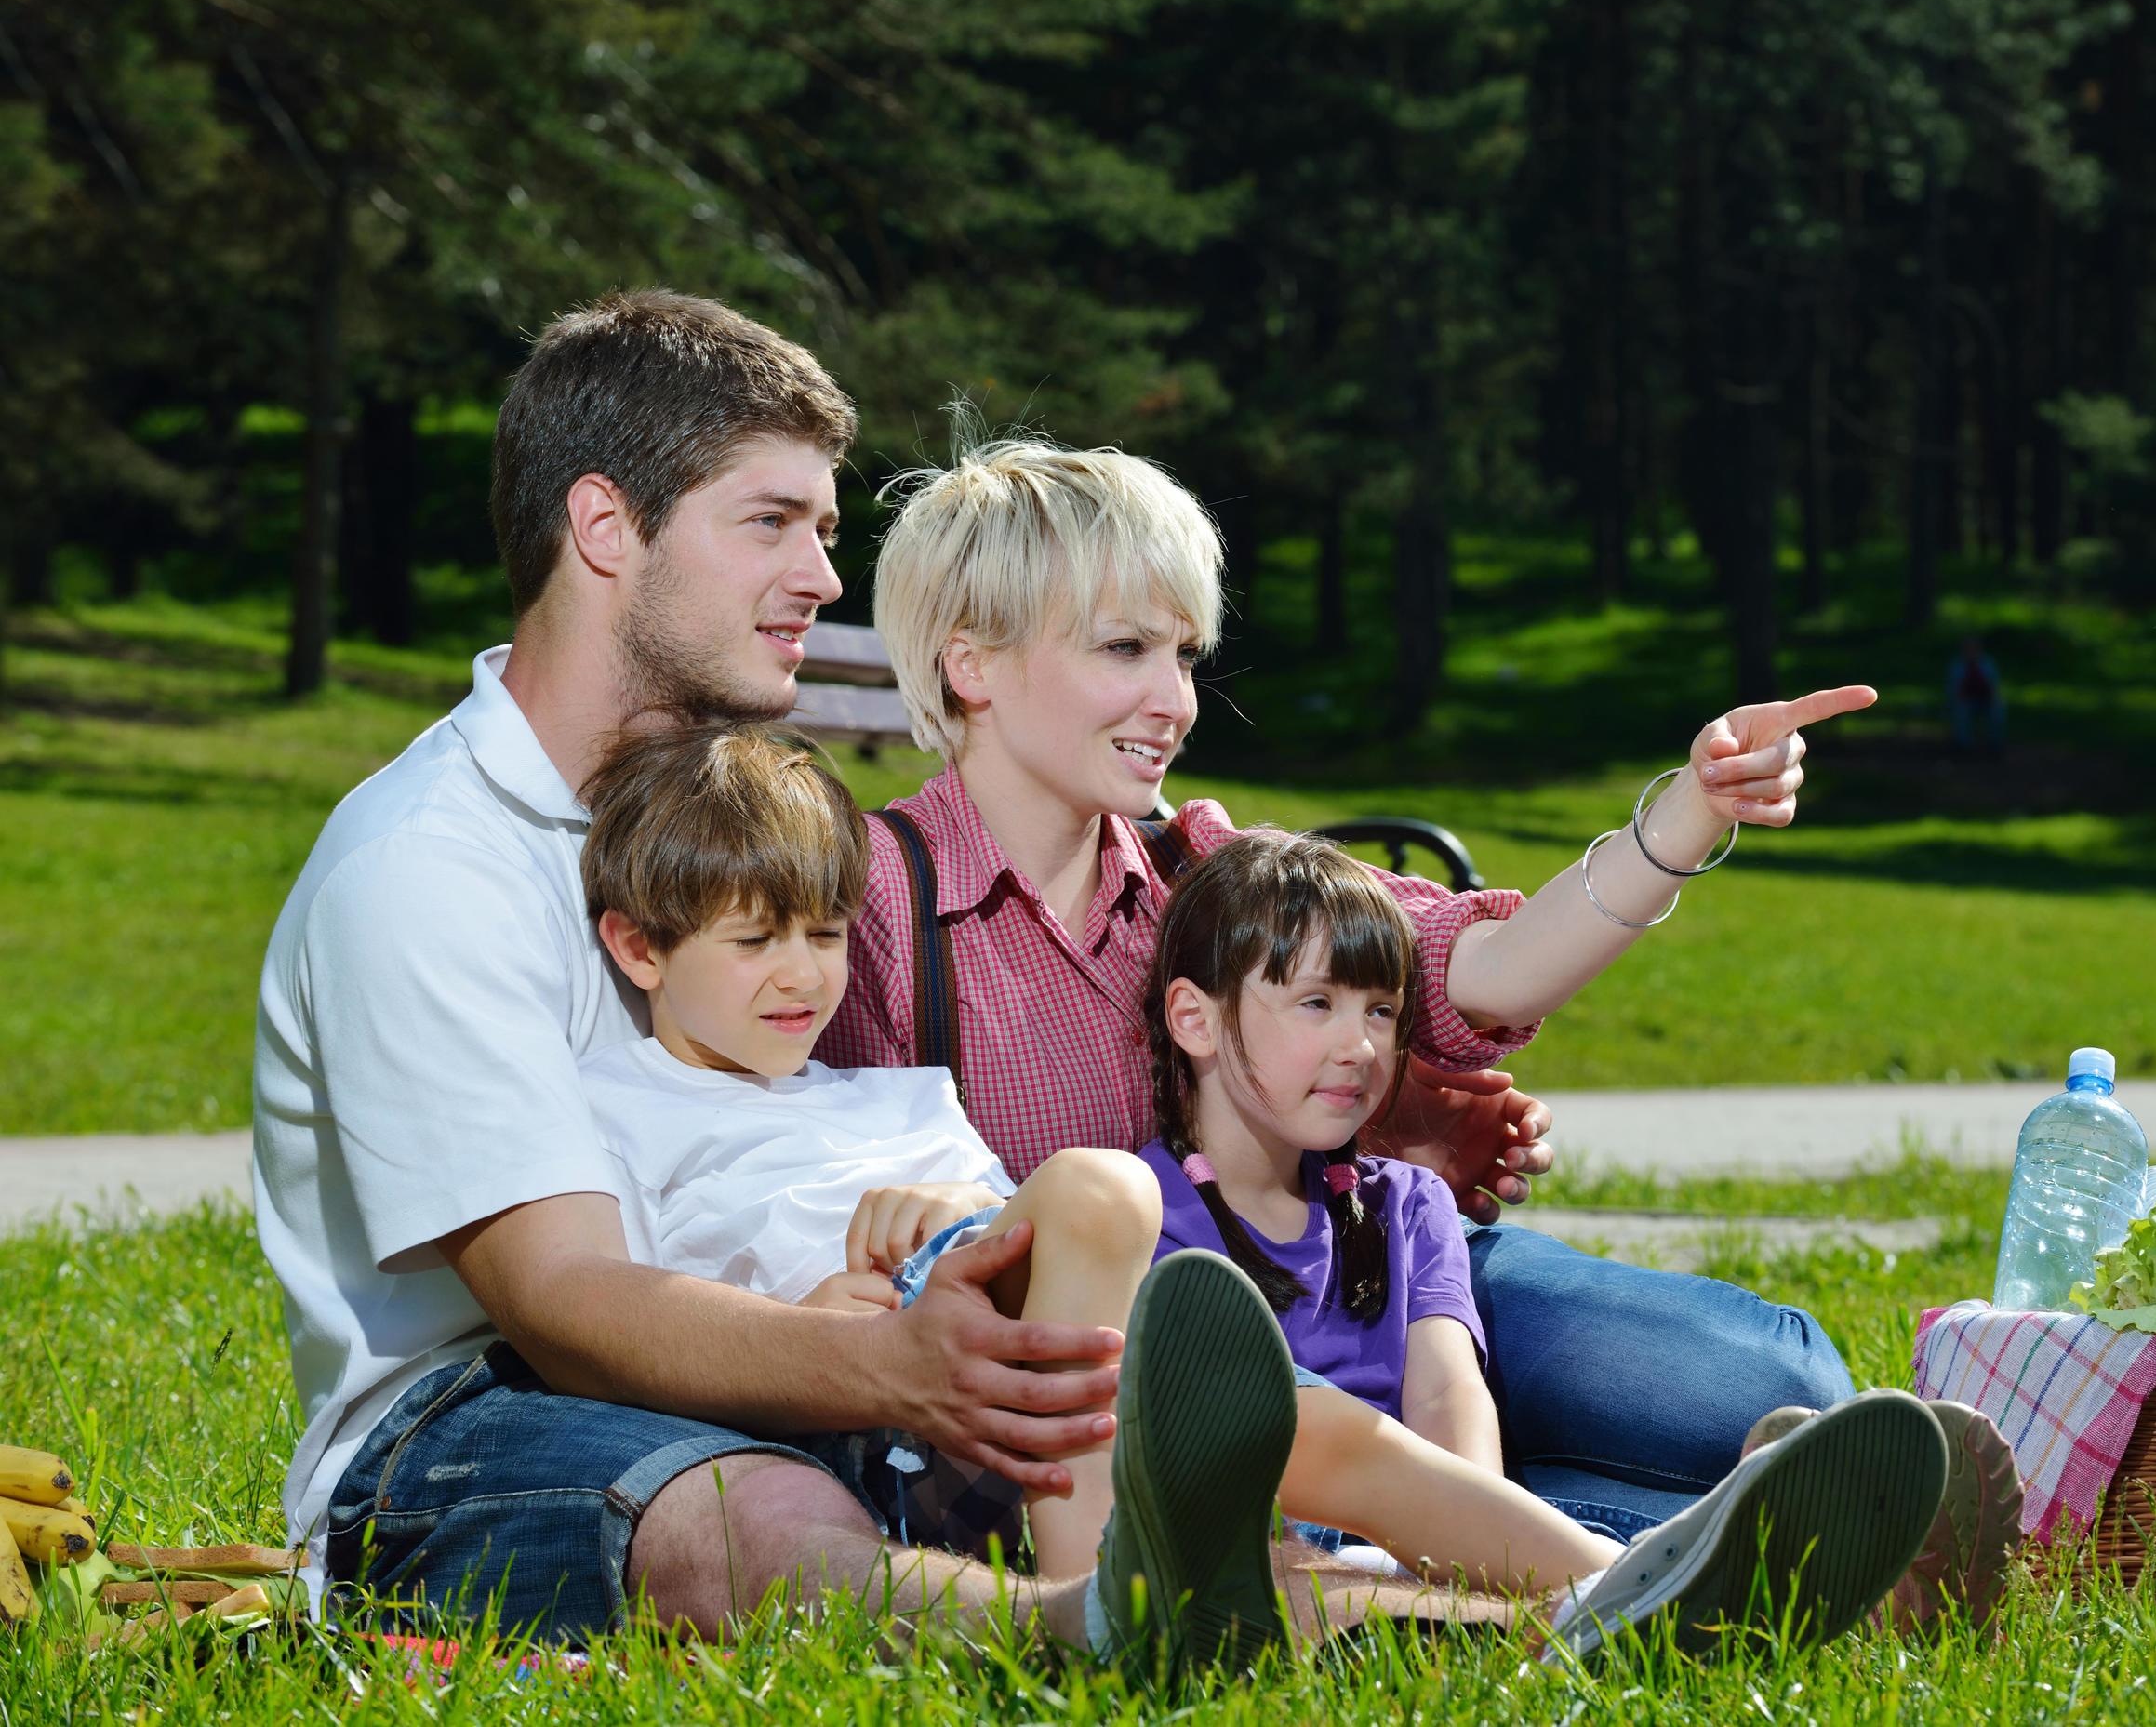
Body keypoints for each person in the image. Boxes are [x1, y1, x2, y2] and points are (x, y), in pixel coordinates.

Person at [252, 290, 1461, 1656]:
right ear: (604, 528)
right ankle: (1080, 1633)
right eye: (770, 522)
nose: (826, 578)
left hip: (777, 1346)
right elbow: (564, 1302)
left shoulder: (737, 831)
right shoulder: (429, 863)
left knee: (1186, 1419)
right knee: (757, 1518)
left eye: (825, 529)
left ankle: (1535, 1595)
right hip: (468, 1423)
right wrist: (886, 1368)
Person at [574, 722, 1959, 1656]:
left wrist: (949, 1221)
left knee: (1311, 1452)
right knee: (1109, 1197)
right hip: (934, 1425)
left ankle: (1611, 1596)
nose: (805, 976)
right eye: (760, 940)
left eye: (824, 935)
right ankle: (1094, 1590)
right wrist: (845, 1303)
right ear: (636, 947)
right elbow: (648, 1331)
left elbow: (1005, 1233)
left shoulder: (890, 1097)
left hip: (1052, 1361)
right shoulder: (622, 1116)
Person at [823, 437, 1894, 1548]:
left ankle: (1673, 1531)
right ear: (972, 664)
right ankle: (1727, 1545)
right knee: (1694, 1466)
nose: (1173, 700)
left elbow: (1475, 962)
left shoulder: (1206, 868)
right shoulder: (870, 907)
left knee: (1778, 1373)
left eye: (1185, 654)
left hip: (1350, 1279)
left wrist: (1689, 813)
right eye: (1125, 648)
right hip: (1142, 1392)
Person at [1140, 825, 1973, 1652]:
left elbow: (1445, 1393)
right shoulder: (1141, 1217)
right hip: (1282, 1544)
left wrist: (1459, 1553)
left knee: (1624, 1523)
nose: (1360, 1046)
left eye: (1383, 1011)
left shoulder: (1407, 1203)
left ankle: (1829, 1578)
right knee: (1360, 1577)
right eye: (1317, 1003)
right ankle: (1751, 1600)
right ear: (1196, 1019)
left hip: (1443, 1527)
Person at [1946, 636, 2006, 756]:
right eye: (1968, 648)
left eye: (1974, 648)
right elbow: (1954, 689)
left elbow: (1994, 686)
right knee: (1961, 711)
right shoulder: (1957, 666)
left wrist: (1995, 700)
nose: (1971, 651)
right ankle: (1964, 746)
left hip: (1985, 700)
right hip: (1966, 701)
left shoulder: (1988, 664)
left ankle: (1995, 746)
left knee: (1996, 711)